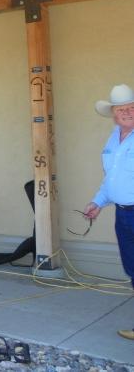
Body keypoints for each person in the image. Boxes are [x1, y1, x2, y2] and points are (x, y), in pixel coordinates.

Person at [83, 84, 134, 341]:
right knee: (133, 269)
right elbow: (111, 178)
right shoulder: (114, 137)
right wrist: (97, 202)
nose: (127, 112)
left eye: (131, 108)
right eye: (121, 109)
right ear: (113, 114)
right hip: (124, 215)